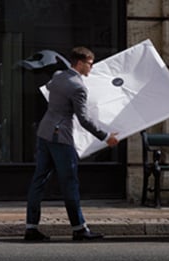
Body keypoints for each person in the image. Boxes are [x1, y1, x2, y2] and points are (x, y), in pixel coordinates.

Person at [24, 47, 119, 241]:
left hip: (44, 133)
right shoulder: (78, 86)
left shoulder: (58, 77)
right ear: (80, 63)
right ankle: (79, 229)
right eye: (90, 64)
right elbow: (83, 119)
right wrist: (105, 136)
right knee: (69, 183)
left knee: (38, 181)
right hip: (61, 137)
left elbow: (50, 88)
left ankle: (31, 228)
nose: (91, 68)